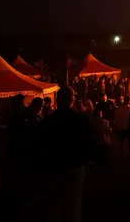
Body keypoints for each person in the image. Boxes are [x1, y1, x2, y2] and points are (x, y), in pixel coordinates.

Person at [35, 87, 95, 222]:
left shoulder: (48, 121)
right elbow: (89, 143)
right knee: (73, 203)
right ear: (72, 100)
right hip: (74, 166)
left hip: (54, 166)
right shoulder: (81, 119)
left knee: (55, 203)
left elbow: (40, 144)